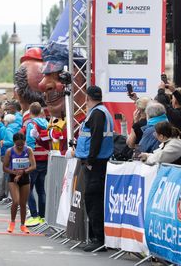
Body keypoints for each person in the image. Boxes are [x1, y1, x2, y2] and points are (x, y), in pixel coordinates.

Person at [76, 86, 115, 252]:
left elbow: (96, 139)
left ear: (87, 98)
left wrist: (90, 161)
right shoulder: (102, 112)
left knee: (93, 200)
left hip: (96, 163)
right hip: (98, 162)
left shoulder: (97, 113)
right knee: (94, 200)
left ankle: (98, 239)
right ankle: (96, 238)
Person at [24, 102, 49, 228]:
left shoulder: (31, 124)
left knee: (28, 188)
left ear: (30, 112)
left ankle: (34, 216)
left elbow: (29, 142)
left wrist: (28, 158)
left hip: (34, 159)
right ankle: (42, 216)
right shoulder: (46, 123)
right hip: (45, 158)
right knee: (41, 189)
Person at [4, 133, 35, 234]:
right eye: (18, 145)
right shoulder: (10, 151)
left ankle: (22, 225)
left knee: (23, 203)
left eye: (22, 144)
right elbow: (4, 167)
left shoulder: (28, 150)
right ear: (14, 143)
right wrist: (14, 172)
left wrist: (23, 172)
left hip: (25, 178)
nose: (20, 147)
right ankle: (12, 223)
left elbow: (33, 166)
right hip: (13, 179)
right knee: (16, 201)